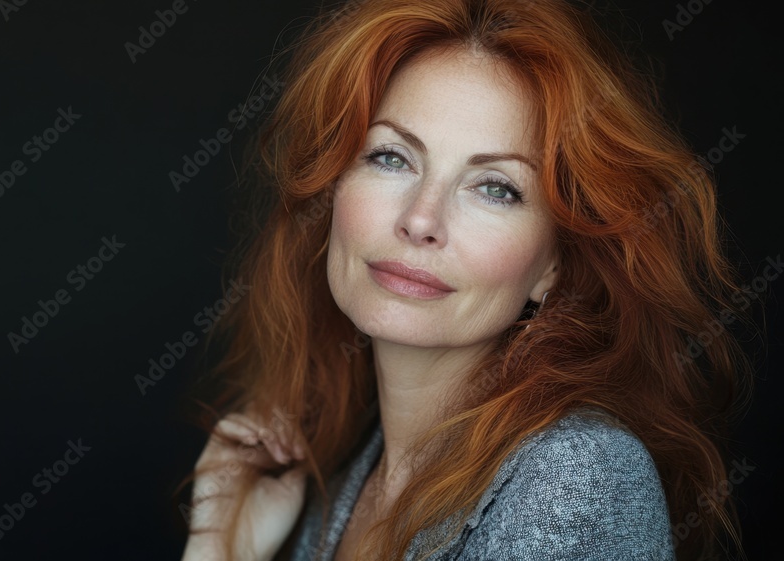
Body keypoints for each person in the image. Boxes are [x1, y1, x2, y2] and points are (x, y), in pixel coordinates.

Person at [179, 0, 753, 559]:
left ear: (554, 264)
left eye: (495, 188)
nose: (421, 220)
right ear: (332, 187)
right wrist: (221, 549)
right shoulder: (348, 472)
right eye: (392, 157)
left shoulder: (575, 481)